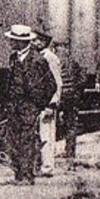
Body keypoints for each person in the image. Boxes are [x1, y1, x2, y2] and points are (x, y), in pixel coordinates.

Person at [3, 24, 56, 184]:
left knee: (27, 140)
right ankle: (18, 175)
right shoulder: (13, 58)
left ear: (22, 42)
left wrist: (40, 104)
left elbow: (51, 84)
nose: (11, 42)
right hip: (15, 105)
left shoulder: (38, 60)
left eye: (14, 40)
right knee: (14, 139)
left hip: (29, 105)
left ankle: (27, 176)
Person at [35, 31, 64, 176]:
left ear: (42, 42)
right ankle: (42, 166)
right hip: (40, 103)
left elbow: (57, 83)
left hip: (47, 104)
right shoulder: (41, 57)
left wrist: (52, 104)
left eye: (35, 40)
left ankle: (47, 167)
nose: (33, 43)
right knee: (41, 135)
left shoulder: (50, 58)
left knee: (46, 136)